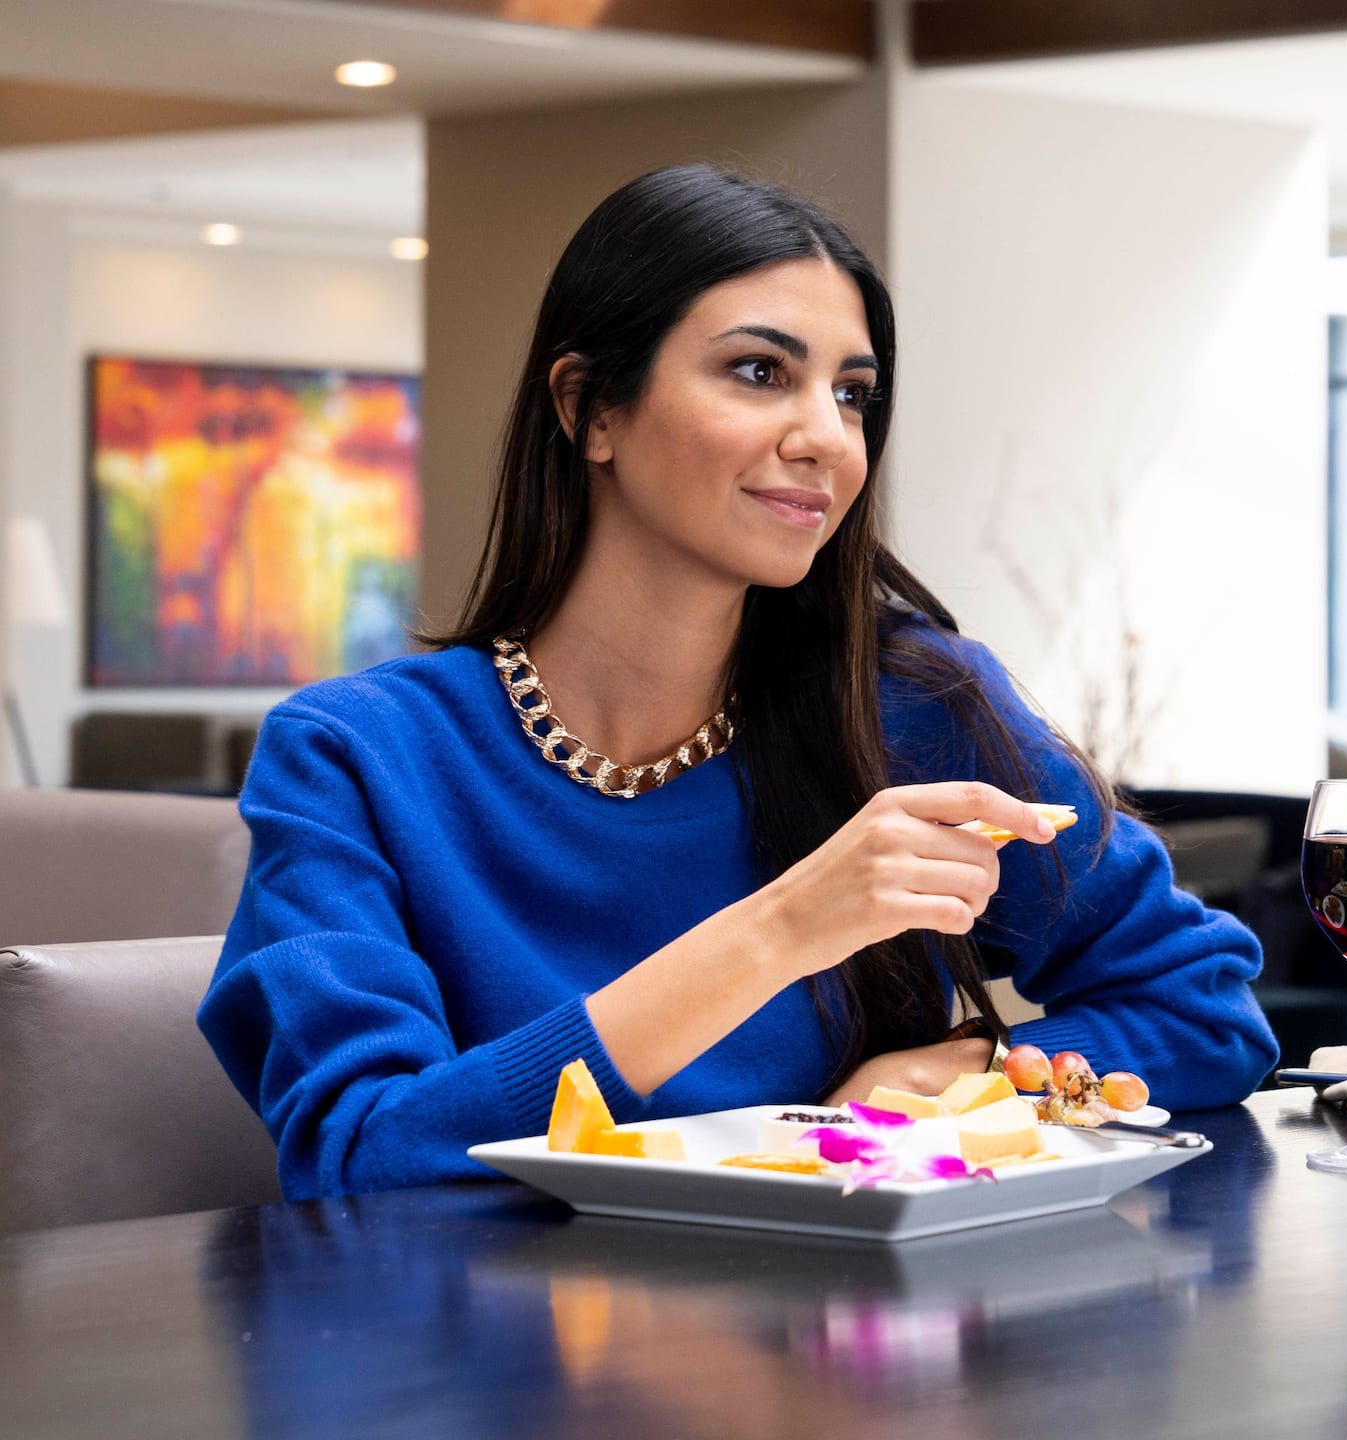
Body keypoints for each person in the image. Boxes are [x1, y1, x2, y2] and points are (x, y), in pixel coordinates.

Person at [198, 163, 1279, 1200]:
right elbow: (361, 1153)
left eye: (852, 394)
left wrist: (980, 1078)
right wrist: (781, 932)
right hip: (501, 1323)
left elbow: (1200, 1008)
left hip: (850, 1318)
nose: (827, 440)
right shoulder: (354, 756)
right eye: (760, 373)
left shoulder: (913, 704)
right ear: (590, 408)